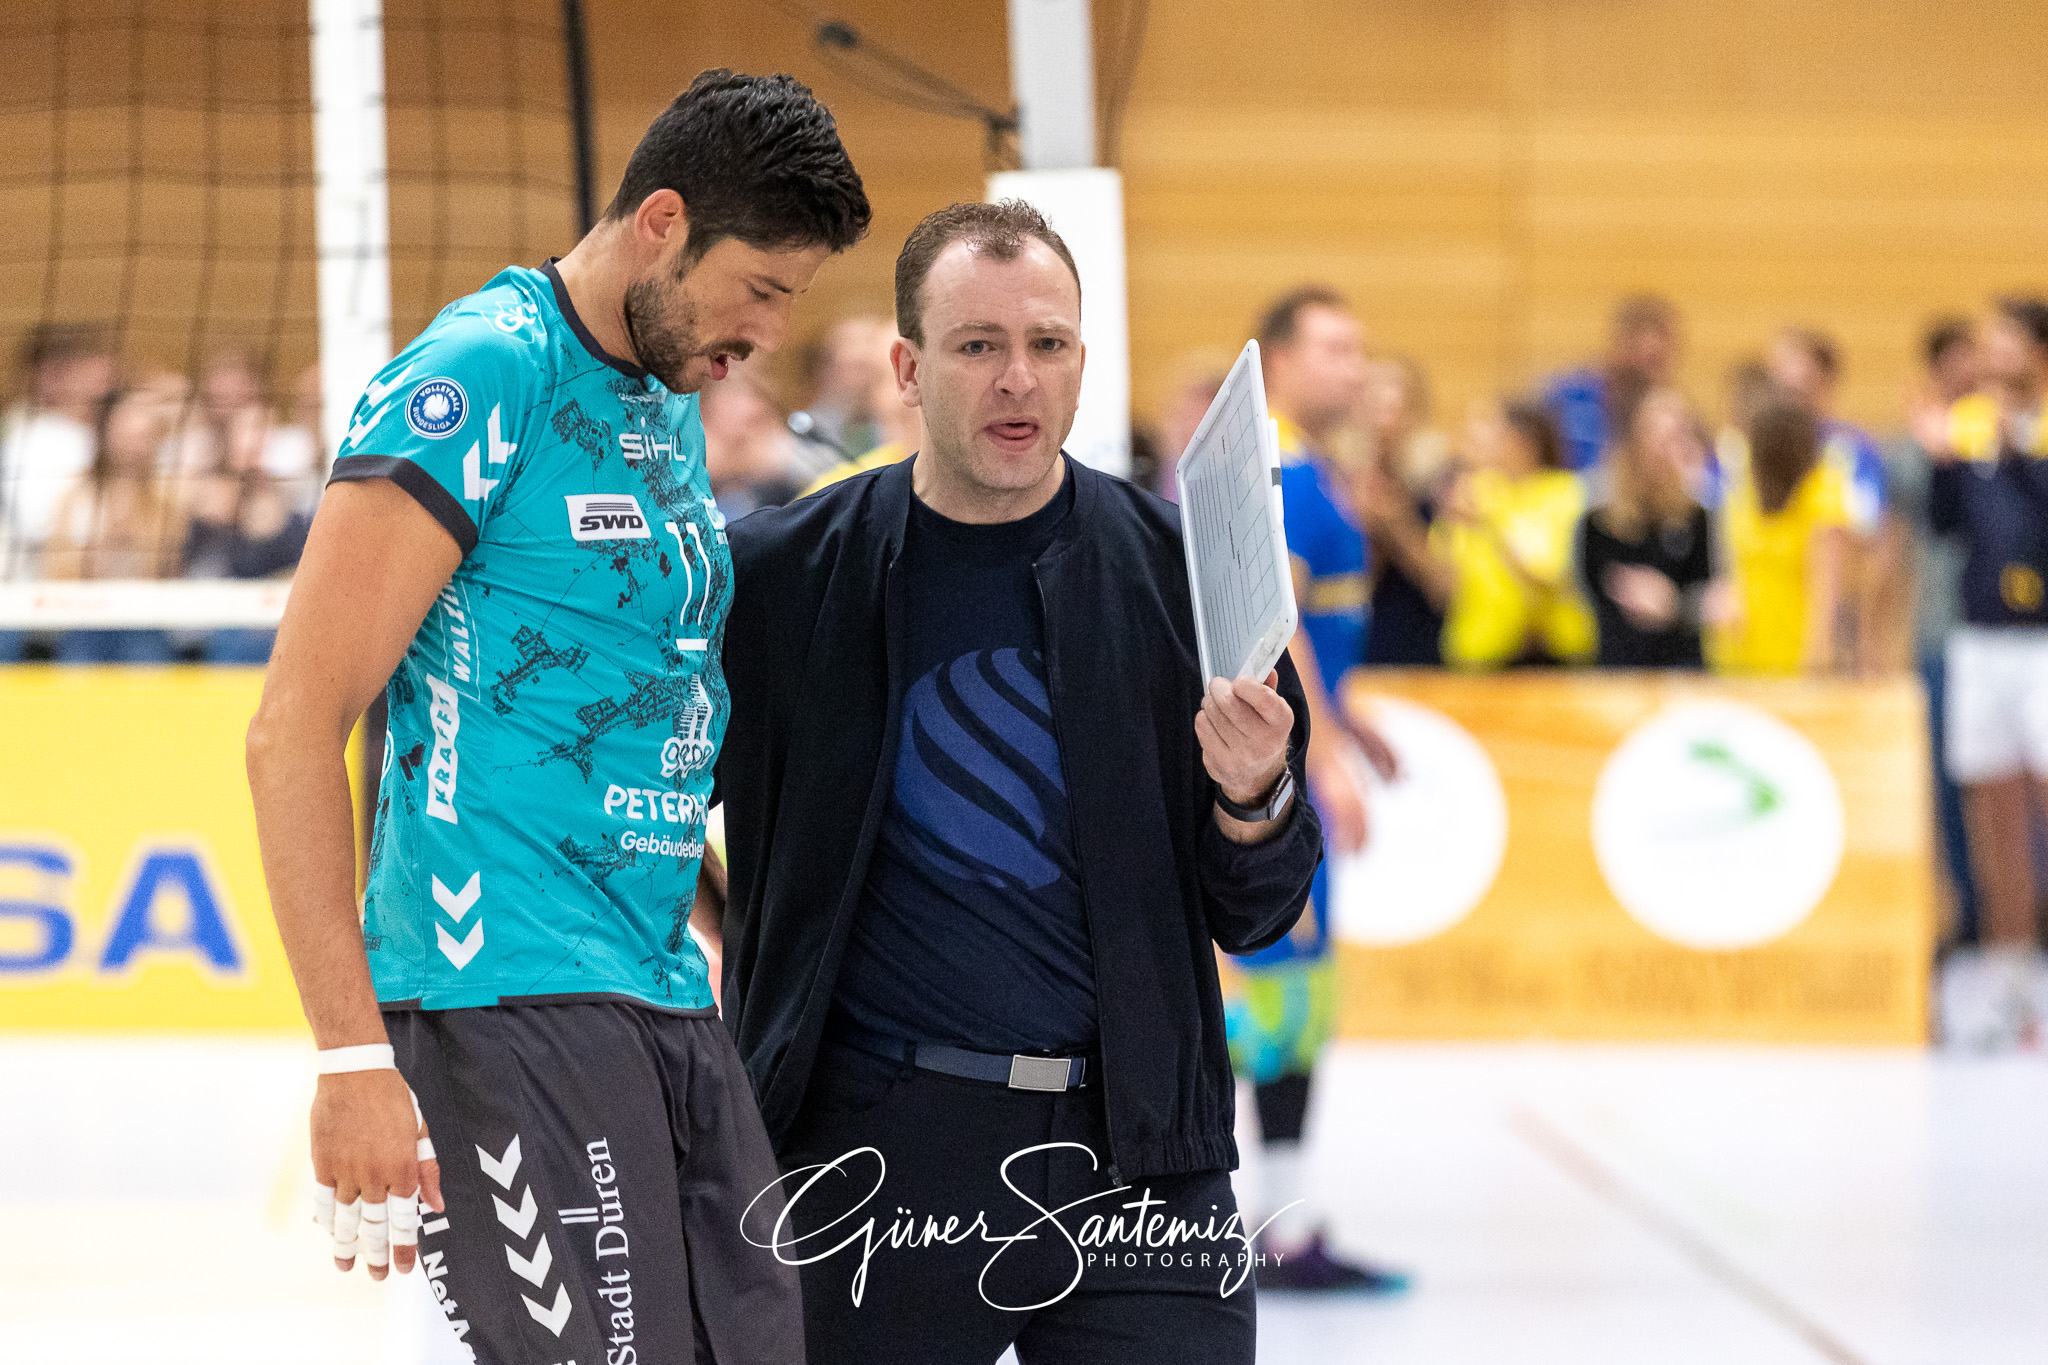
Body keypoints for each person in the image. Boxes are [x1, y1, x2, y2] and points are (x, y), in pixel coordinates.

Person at [243, 70, 869, 1363]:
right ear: (661, 222)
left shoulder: (664, 399)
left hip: (659, 990)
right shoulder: (483, 372)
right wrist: (351, 1058)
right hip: (503, 989)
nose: (763, 332)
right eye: (757, 288)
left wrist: (734, 921)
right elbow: (297, 725)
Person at [713, 199, 1323, 1364]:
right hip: (869, 1160)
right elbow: (632, 815)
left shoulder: (1182, 579)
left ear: (1082, 362)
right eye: (977, 345)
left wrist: (1255, 797)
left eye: (1046, 345)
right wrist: (737, 931)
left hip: (1141, 1159)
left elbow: (1258, 910)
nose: (1016, 381)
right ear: (906, 365)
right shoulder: (783, 577)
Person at [1224, 286, 1404, 1293]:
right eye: (1334, 347)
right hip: (1283, 770)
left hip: (1304, 748)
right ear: (1280, 357)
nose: (1354, 365)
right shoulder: (1279, 468)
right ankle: (1274, 1228)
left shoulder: (1317, 469)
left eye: (1360, 347)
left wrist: (1351, 722)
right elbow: (1273, 622)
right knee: (1278, 995)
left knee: (1295, 997)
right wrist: (1323, 755)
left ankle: (1283, 1217)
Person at [1916, 296, 2048, 1050]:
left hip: (2042, 644)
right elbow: (1945, 526)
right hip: (1981, 642)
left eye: (2005, 339)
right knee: (1994, 820)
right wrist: (1945, 459)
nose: (1991, 353)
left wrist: (2018, 451)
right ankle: (2011, 982)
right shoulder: (1969, 427)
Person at [1884, 319, 1983, 950]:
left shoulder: (2001, 434)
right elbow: (1895, 544)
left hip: (2001, 629)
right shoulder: (1908, 449)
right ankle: (1964, 913)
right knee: (1949, 784)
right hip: (1938, 629)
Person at [1768, 326, 1903, 674]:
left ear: (1825, 385)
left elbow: (1872, 535)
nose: (1790, 399)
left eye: (1801, 387)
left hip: (1833, 626)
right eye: (1781, 387)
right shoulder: (1746, 451)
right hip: (1763, 620)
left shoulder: (1852, 452)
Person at [1438, 397, 1596, 669]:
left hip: (1551, 655)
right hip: (1481, 654)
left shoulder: (1565, 493)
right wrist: (1447, 520)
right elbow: (1444, 583)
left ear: (1524, 442)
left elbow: (1548, 576)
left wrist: (1489, 527)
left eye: (1497, 434)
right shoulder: (1476, 490)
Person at [41, 385, 186, 663]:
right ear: (107, 435)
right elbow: (55, 572)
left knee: (145, 656)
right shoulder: (76, 498)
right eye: (127, 435)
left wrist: (136, 542)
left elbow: (171, 572)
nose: (134, 445)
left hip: (144, 622)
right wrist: (96, 555)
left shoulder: (166, 502)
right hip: (84, 621)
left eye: (142, 436)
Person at [1709, 394, 1850, 676]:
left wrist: (1814, 674)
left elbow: (1826, 603)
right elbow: (1731, 566)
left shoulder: (1821, 497)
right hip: (1738, 658)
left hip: (1795, 663)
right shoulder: (1744, 490)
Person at [1579, 386, 1718, 668]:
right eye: (1655, 434)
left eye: (1675, 436)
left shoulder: (1699, 519)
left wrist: (1675, 604)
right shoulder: (1598, 521)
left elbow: (1712, 598)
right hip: (1617, 671)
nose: (1663, 448)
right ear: (1634, 440)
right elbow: (1590, 596)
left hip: (1682, 670)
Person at [1355, 354, 1453, 667]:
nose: (1385, 421)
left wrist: (1398, 523)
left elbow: (1445, 588)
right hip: (1358, 646)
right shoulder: (1338, 477)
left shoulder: (1441, 481)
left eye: (1395, 406)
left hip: (1420, 647)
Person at [0, 324, 115, 590]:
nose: (104, 380)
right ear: (54, 375)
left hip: (119, 585)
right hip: (45, 589)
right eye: (90, 366)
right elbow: (34, 523)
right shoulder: (27, 437)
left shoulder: (113, 433)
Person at [1544, 293, 1682, 472]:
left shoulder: (1674, 417)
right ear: (1619, 343)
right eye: (1648, 359)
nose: (1650, 374)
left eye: (1658, 362)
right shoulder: (1569, 399)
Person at [700, 359, 803, 520]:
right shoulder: (692, 442)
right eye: (730, 397)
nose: (741, 409)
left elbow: (789, 461)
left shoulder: (775, 442)